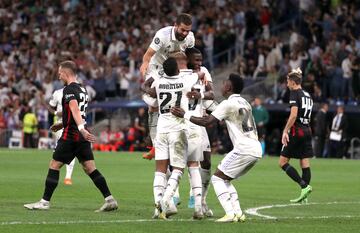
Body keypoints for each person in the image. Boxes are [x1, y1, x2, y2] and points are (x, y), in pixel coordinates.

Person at [24, 60, 118, 212]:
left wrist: (80, 129)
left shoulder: (68, 90)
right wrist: (61, 124)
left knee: (54, 165)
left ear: (66, 73)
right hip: (81, 136)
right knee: (90, 168)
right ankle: (110, 199)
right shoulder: (83, 89)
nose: (58, 75)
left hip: (72, 135)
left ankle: (44, 202)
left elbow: (74, 109)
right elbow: (77, 113)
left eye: (60, 73)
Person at [171, 74, 262, 223]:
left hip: (244, 148)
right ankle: (238, 213)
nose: (222, 85)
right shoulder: (245, 102)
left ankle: (229, 213)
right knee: (225, 179)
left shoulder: (228, 104)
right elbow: (229, 119)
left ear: (229, 87)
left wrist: (185, 114)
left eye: (224, 83)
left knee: (217, 178)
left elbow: (207, 122)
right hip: (255, 148)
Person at [143, 57, 202, 220]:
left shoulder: (159, 83)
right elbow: (198, 74)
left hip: (161, 129)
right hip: (178, 129)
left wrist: (147, 84)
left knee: (160, 170)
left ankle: (157, 208)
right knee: (178, 169)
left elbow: (150, 97)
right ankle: (165, 202)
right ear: (177, 68)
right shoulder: (185, 81)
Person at [140, 13, 195, 160]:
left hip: (173, 69)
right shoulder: (162, 35)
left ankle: (178, 136)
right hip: (156, 68)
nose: (185, 33)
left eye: (188, 30)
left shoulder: (190, 38)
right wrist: (144, 65)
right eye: (183, 30)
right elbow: (148, 55)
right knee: (154, 104)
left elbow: (191, 58)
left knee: (178, 102)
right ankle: (154, 145)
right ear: (175, 25)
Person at [185, 47, 215, 216]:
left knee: (207, 162)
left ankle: (202, 201)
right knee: (178, 164)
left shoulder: (204, 71)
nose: (199, 63)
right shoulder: (182, 74)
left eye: (200, 60)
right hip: (182, 123)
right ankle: (167, 200)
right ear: (188, 59)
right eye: (196, 60)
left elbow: (211, 93)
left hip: (198, 123)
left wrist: (200, 94)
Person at [279, 68, 313, 204]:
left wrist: (285, 131)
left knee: (282, 162)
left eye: (288, 81)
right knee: (304, 161)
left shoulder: (294, 93)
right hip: (307, 130)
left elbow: (293, 115)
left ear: (293, 82)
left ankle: (304, 186)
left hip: (296, 131)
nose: (287, 84)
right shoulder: (308, 95)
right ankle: (305, 195)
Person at [48, 87, 76, 185]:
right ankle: (54, 174)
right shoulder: (57, 92)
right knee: (59, 150)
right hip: (60, 123)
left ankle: (68, 177)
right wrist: (56, 113)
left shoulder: (77, 91)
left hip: (73, 123)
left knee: (71, 149)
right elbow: (51, 106)